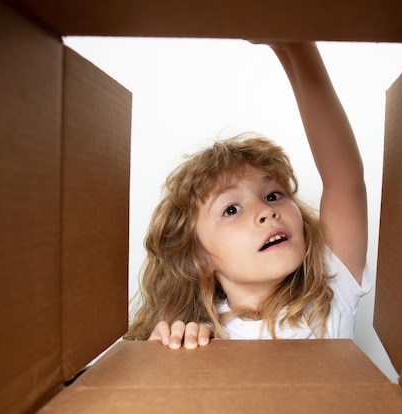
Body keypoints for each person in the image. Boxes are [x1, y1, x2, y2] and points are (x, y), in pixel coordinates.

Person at [123, 41, 371, 349]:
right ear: (198, 258)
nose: (266, 212)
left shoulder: (332, 293)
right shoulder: (198, 338)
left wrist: (296, 47)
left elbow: (343, 181)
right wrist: (163, 354)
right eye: (231, 209)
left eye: (273, 195)